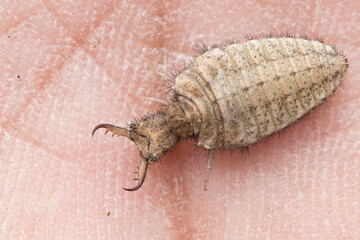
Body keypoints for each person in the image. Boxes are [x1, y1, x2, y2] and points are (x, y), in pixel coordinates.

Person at [1, 1, 358, 239]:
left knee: (325, 68)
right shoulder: (192, 84)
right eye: (148, 150)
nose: (148, 141)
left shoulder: (205, 112)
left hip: (267, 85)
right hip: (242, 85)